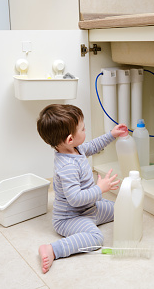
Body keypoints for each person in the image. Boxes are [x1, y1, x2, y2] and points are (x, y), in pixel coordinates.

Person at [36, 104, 127, 274]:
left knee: (120, 210)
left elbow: (93, 145)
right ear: (70, 139)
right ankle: (53, 249)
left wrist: (112, 135)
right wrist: (100, 189)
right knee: (96, 238)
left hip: (90, 209)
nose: (86, 130)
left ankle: (97, 213)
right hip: (70, 218)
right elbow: (75, 199)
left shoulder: (76, 149)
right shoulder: (67, 166)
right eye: (83, 128)